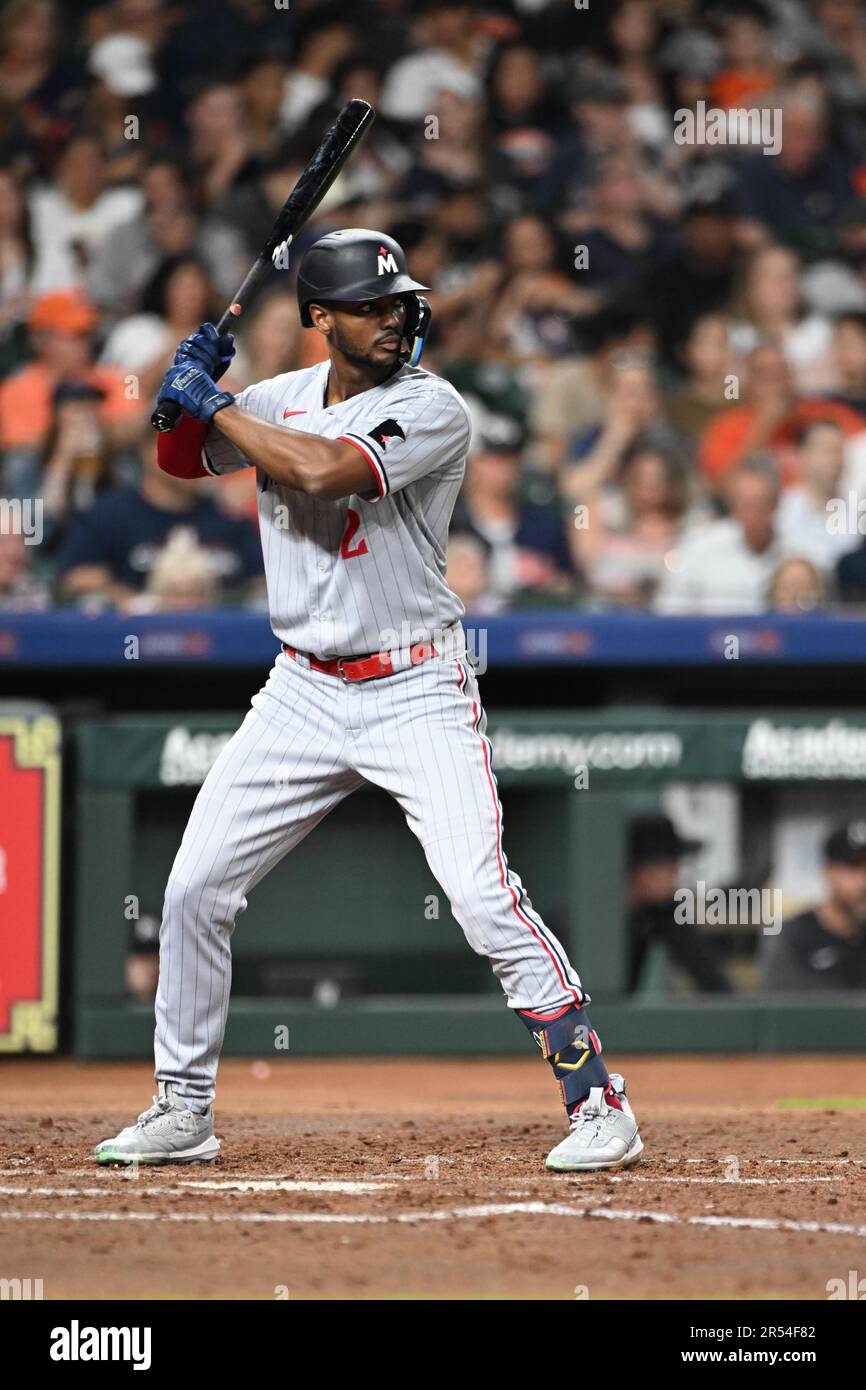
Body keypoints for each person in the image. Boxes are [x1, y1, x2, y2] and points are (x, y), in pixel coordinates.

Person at [94, 228, 643, 1174]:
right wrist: (181, 399)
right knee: (192, 889)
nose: (393, 319)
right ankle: (183, 1106)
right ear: (320, 317)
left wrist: (213, 403)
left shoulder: (433, 406)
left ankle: (598, 1101)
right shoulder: (276, 398)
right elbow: (179, 462)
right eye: (369, 307)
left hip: (415, 685)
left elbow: (321, 469)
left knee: (479, 895)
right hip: (302, 689)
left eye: (399, 304)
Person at [54, 428, 264, 608]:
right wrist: (124, 598)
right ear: (149, 451)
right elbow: (73, 578)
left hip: (223, 637)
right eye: (185, 446)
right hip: (135, 637)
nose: (197, 457)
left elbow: (264, 586)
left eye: (204, 447)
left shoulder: (230, 516)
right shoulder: (108, 514)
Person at [654, 456, 785, 614]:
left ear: (776, 505)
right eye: (746, 505)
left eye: (762, 504)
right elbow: (669, 609)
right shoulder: (698, 546)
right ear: (733, 505)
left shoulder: (793, 552)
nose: (753, 515)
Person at [627, 812, 731, 994]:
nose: (676, 873)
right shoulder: (591, 914)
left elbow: (712, 979)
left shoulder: (662, 910)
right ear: (641, 871)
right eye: (668, 865)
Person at [759, 822, 866, 990]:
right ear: (828, 871)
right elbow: (787, 1002)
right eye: (854, 867)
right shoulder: (792, 937)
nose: (863, 881)